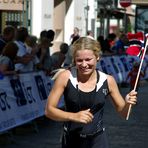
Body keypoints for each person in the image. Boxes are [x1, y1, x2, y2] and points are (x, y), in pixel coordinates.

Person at [45, 37, 137, 148]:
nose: (84, 65)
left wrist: (127, 103)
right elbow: (49, 110)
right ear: (74, 59)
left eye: (88, 59)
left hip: (98, 141)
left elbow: (124, 114)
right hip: (72, 140)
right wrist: (73, 116)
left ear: (97, 57)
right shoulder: (65, 77)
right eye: (79, 60)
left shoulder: (108, 80)